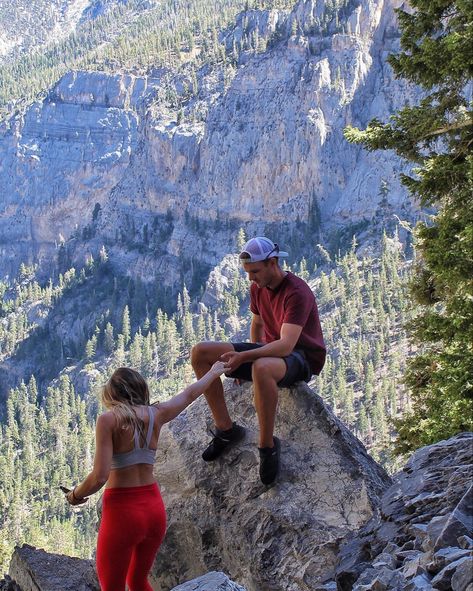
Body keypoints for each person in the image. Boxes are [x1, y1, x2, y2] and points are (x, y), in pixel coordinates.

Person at [65, 361, 226, 591]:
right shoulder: (156, 414)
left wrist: (74, 495)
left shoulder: (109, 420)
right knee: (138, 581)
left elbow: (100, 476)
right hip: (153, 510)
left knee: (112, 586)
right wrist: (212, 372)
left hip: (122, 513)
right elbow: (190, 394)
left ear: (112, 394)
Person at [192, 236, 326, 486]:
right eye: (247, 273)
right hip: (272, 349)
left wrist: (245, 357)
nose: (250, 278)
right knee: (200, 353)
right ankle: (226, 430)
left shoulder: (297, 292)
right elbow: (258, 323)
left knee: (261, 368)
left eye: (254, 272)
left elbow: (287, 345)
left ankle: (267, 446)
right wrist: (249, 357)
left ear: (273, 262)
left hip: (301, 356)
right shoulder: (258, 288)